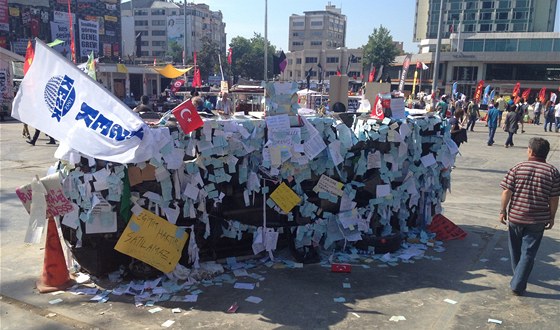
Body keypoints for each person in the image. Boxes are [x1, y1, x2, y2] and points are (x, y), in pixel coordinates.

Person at [499, 137, 559, 296]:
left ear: (531, 151)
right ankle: (518, 281)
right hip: (538, 219)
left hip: (516, 216)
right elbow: (554, 198)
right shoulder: (552, 172)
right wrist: (552, 216)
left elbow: (506, 191)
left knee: (515, 250)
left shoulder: (518, 168)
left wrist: (502, 210)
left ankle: (517, 281)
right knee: (529, 253)